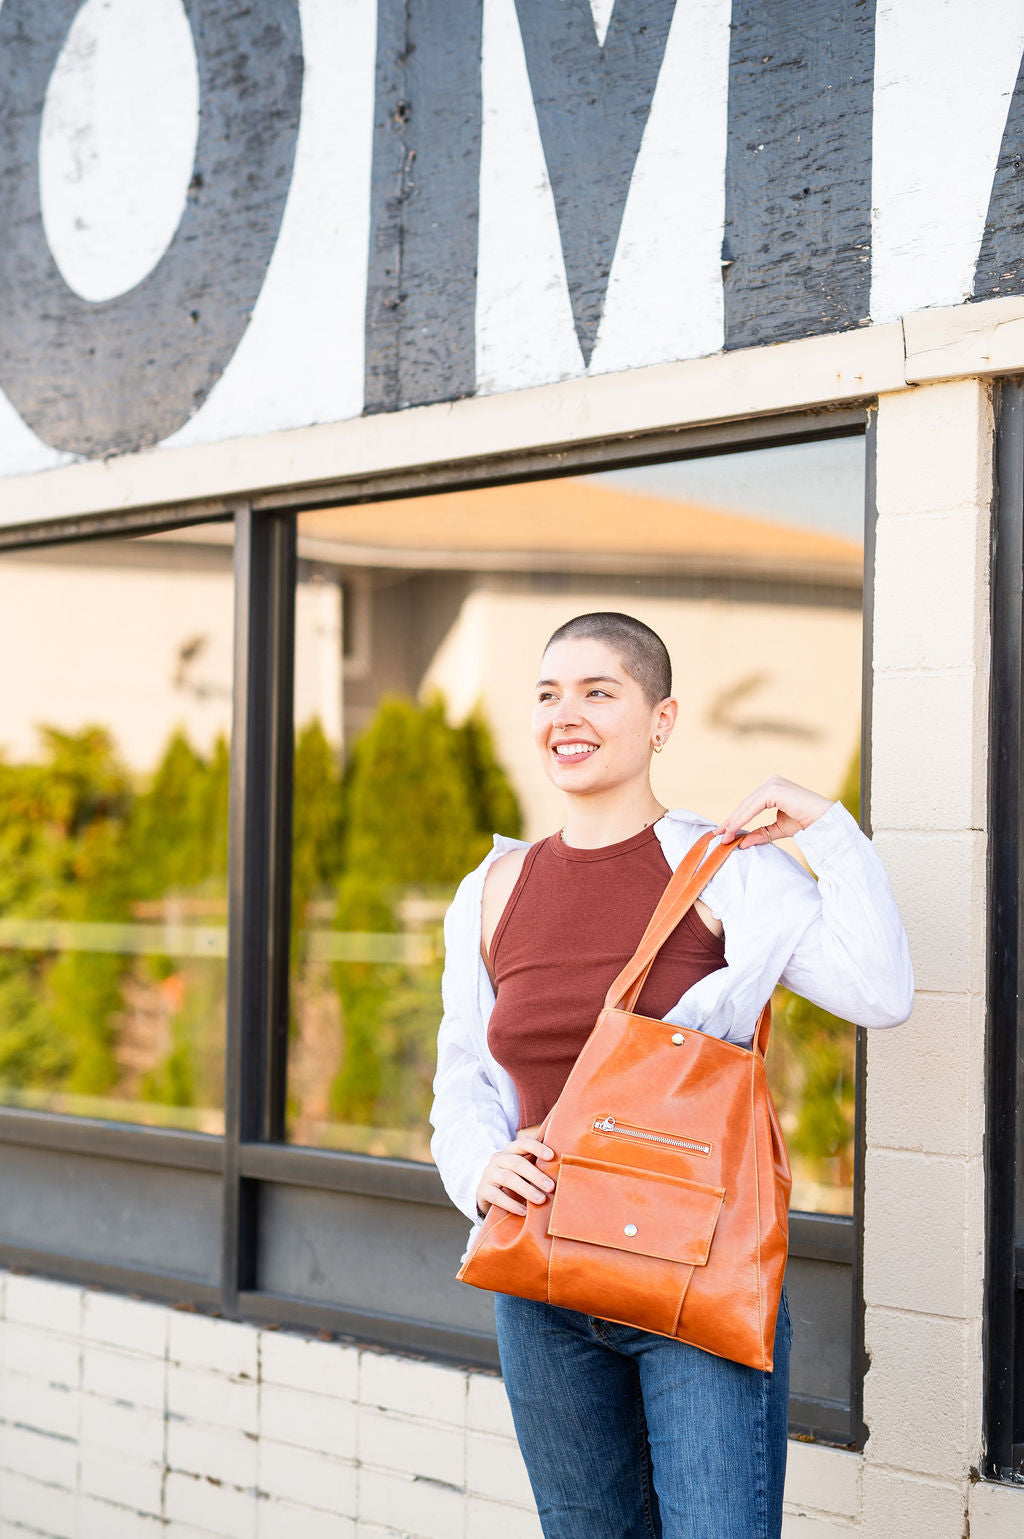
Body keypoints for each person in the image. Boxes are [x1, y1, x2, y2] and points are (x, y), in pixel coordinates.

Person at [430, 611, 913, 1539]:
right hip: (540, 1277)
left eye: (599, 690)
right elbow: (465, 1073)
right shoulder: (493, 887)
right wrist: (478, 1169)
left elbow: (880, 992)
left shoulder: (720, 869)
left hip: (697, 1266)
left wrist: (829, 830)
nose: (566, 714)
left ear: (662, 718)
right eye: (548, 694)